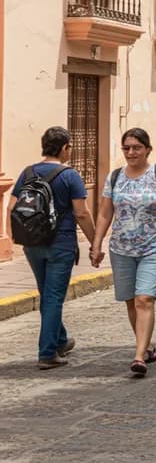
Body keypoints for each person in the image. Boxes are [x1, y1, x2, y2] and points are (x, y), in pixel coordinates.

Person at [90, 128, 156, 378]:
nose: (131, 152)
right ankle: (147, 346)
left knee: (144, 299)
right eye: (127, 148)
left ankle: (138, 355)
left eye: (136, 147)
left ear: (147, 149)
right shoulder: (114, 177)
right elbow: (104, 213)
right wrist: (96, 244)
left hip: (153, 247)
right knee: (131, 302)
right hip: (121, 249)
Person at [8, 127, 96, 369]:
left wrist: (15, 236)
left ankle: (60, 339)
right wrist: (95, 241)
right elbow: (82, 213)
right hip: (61, 244)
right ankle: (47, 353)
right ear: (65, 147)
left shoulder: (27, 172)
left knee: (48, 294)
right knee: (54, 297)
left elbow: (11, 206)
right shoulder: (70, 175)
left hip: (32, 244)